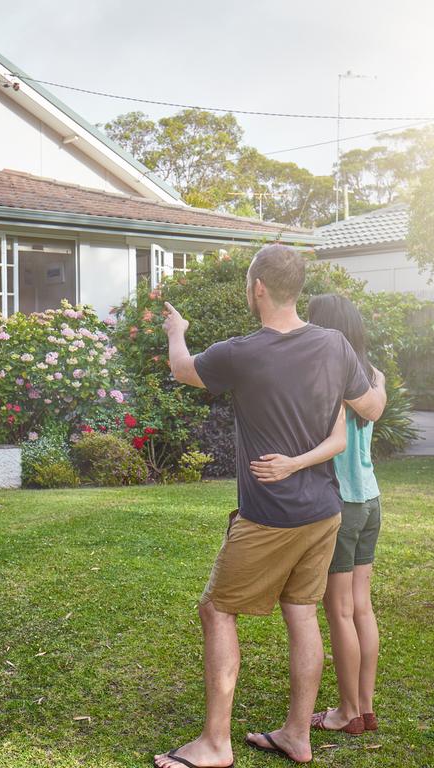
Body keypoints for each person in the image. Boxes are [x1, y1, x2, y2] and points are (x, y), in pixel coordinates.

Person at [154, 244, 387, 768]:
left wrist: (177, 332)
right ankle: (297, 735)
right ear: (296, 287)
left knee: (216, 610)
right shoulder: (334, 345)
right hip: (325, 510)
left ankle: (216, 743)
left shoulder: (241, 352)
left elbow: (183, 370)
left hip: (270, 515)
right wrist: (371, 383)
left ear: (258, 286)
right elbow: (370, 408)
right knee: (302, 613)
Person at [306, 294, 385, 736]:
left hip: (341, 503)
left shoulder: (328, 376)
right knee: (361, 608)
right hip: (371, 499)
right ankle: (365, 708)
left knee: (338, 610)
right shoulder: (373, 375)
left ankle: (347, 712)